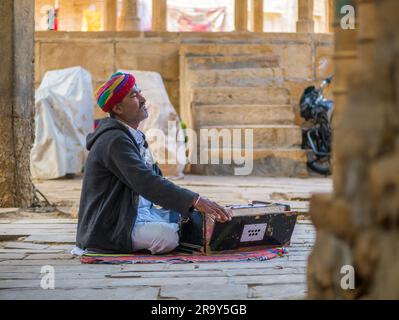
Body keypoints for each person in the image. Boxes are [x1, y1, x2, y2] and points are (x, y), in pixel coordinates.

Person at [75, 72, 233, 255]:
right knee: (167, 237)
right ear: (118, 108)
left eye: (139, 92)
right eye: (134, 96)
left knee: (189, 218)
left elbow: (157, 177)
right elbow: (146, 181)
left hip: (139, 214)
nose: (143, 99)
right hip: (112, 225)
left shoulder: (134, 137)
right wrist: (194, 200)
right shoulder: (113, 140)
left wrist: (191, 206)